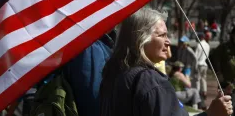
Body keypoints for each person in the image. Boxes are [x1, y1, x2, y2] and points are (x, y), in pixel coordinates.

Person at [99, 8, 233, 116]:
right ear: (141, 39)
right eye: (162, 35)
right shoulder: (150, 82)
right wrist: (212, 114)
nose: (168, 41)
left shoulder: (113, 74)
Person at [193, 33, 210, 99]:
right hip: (205, 64)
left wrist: (194, 66)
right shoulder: (207, 45)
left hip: (199, 64)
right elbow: (207, 55)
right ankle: (204, 91)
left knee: (197, 79)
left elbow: (195, 57)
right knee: (203, 79)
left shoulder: (199, 45)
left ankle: (197, 93)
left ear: (200, 37)